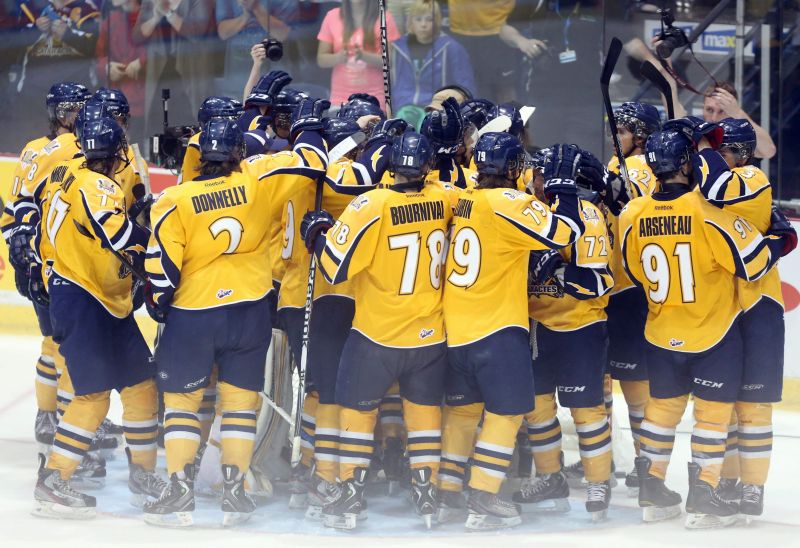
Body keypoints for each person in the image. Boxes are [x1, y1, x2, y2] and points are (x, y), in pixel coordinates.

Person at [143, 91, 330, 526]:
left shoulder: (175, 199)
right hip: (249, 312)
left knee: (183, 405)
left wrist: (159, 305)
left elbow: (161, 270)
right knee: (240, 405)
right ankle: (235, 489)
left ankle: (180, 491)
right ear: (238, 153)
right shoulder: (259, 177)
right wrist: (307, 124)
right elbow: (313, 161)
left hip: (195, 314)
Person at [618, 127, 794, 529]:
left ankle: (651, 486)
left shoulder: (633, 212)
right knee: (713, 418)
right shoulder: (707, 210)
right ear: (688, 163)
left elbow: (633, 270)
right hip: (712, 330)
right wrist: (781, 239)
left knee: (662, 411)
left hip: (661, 329)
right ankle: (704, 493)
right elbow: (753, 262)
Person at [302, 131, 452, 530]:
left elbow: (334, 267)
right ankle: (427, 493)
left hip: (376, 336)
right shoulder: (444, 198)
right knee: (423, 414)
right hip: (430, 336)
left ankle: (351, 494)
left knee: (358, 412)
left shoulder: (371, 204)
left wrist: (317, 235)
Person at [438, 138, 590, 530]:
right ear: (511, 168)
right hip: (497, 329)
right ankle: (484, 495)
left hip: (456, 327)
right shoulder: (509, 202)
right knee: (506, 413)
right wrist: (563, 186)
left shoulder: (466, 198)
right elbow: (565, 232)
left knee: (462, 413)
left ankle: (448, 492)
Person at [33, 117, 162, 519]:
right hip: (83, 297)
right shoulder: (97, 185)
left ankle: (143, 475)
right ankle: (54, 477)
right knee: (93, 395)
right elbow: (118, 235)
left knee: (141, 385)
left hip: (104, 297)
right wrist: (156, 239)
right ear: (114, 151)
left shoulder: (66, 170)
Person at [689, 117, 788, 520]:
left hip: (759, 306)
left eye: (725, 150)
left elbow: (716, 187)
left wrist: (702, 146)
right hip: (721, 308)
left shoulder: (750, 178)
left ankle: (752, 488)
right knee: (722, 406)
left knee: (754, 406)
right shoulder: (707, 184)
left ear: (744, 153)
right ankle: (727, 481)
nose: (717, 157)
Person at [513, 148, 615, 521]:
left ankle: (598, 481)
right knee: (537, 410)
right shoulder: (526, 209)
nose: (535, 179)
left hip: (580, 327)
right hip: (536, 327)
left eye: (542, 173)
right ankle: (550, 479)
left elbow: (599, 282)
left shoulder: (586, 216)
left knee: (586, 411)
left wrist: (556, 268)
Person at [588, 101, 660, 495]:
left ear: (642, 134)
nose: (614, 134)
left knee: (630, 384)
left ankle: (637, 462)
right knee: (612, 383)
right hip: (616, 287)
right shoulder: (621, 164)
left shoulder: (640, 167)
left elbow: (631, 204)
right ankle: (622, 460)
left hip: (626, 289)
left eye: (623, 129)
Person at [9, 0, 99, 144]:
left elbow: (96, 48)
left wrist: (67, 34)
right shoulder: (30, 7)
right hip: (33, 96)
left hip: (75, 97)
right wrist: (35, 30)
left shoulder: (88, 9)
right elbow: (11, 46)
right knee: (31, 144)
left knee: (73, 146)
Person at [133, 0, 216, 143]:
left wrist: (169, 13)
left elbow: (196, 33)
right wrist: (155, 18)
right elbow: (136, 36)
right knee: (157, 124)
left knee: (193, 124)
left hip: (192, 70)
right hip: (160, 71)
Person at [390, 0, 475, 111]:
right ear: (411, 21)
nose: (423, 24)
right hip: (403, 108)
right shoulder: (399, 47)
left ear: (437, 21)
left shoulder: (452, 48)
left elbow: (465, 86)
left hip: (437, 109)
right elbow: (394, 84)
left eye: (429, 19)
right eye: (418, 19)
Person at [316, 0, 399, 109]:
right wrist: (339, 57)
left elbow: (391, 61)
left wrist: (364, 56)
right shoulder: (332, 16)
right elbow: (321, 60)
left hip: (375, 98)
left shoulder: (385, 18)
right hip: (340, 98)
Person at [215, 0, 294, 97]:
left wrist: (256, 8)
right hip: (238, 75)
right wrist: (245, 16)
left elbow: (282, 33)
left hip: (274, 74)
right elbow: (223, 33)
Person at [95, 0, 148, 146]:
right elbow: (98, 57)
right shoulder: (111, 20)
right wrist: (106, 67)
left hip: (145, 101)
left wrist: (143, 62)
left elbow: (163, 51)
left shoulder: (150, 17)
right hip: (115, 99)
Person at [702, 82, 776, 160]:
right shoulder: (694, 131)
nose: (714, 118)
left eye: (722, 111)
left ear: (731, 112)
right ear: (703, 108)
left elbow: (769, 151)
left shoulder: (736, 140)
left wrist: (738, 113)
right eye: (709, 110)